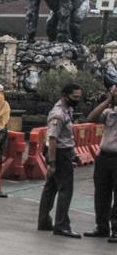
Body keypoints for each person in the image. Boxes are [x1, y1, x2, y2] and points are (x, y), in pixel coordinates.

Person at [39, 82, 83, 237]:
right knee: (65, 190)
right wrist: (52, 163)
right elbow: (52, 139)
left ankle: (44, 221)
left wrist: (74, 153)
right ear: (65, 96)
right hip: (58, 154)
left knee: (50, 188)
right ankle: (61, 225)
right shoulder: (58, 113)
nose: (77, 100)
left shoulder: (68, 110)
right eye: (75, 97)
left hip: (63, 152)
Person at [84, 85, 117, 240]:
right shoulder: (108, 112)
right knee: (101, 194)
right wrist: (108, 101)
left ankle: (116, 229)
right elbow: (91, 118)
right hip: (104, 157)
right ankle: (101, 226)